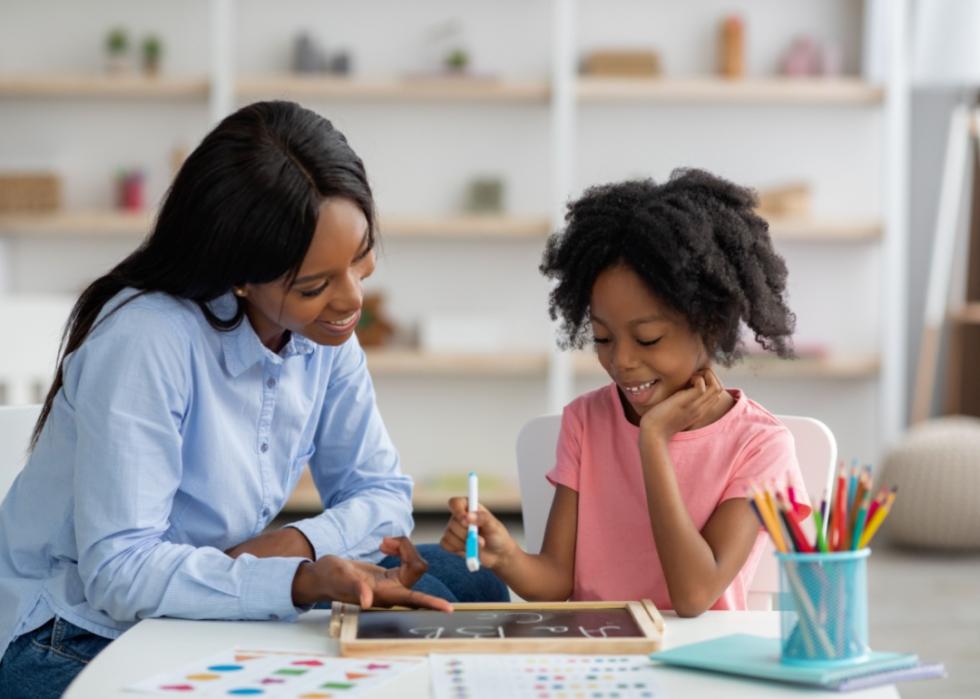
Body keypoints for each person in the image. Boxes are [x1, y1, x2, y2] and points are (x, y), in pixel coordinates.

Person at [0, 100, 505, 699]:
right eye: (316, 285)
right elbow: (121, 575)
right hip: (72, 632)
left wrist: (289, 548)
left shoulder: (321, 332)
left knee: (473, 588)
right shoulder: (147, 341)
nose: (352, 301)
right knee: (417, 628)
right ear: (239, 273)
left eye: (361, 259)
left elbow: (384, 498)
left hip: (202, 585)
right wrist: (297, 582)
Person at [442, 169, 810, 616]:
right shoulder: (585, 420)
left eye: (648, 339)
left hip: (694, 665)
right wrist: (506, 556)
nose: (622, 361)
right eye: (602, 338)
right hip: (597, 655)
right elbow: (556, 580)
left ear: (709, 325)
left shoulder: (760, 445)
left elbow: (693, 596)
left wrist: (653, 442)